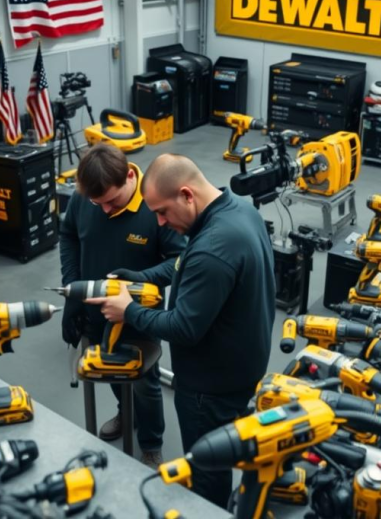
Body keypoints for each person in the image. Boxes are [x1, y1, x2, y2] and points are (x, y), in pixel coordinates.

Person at [86, 153, 275, 509]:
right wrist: (143, 278)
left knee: (207, 470)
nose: (159, 222)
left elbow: (183, 327)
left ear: (186, 195)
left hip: (209, 387)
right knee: (222, 452)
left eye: (161, 211)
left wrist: (129, 310)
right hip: (241, 366)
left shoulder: (211, 249)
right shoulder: (239, 212)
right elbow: (182, 265)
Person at [58, 144, 185, 468]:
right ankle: (125, 412)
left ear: (130, 176)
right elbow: (69, 235)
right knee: (109, 368)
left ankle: (151, 442)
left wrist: (143, 277)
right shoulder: (83, 198)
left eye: (111, 201)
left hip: (140, 314)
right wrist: (73, 288)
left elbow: (181, 261)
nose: (103, 210)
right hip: (94, 310)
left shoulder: (155, 206)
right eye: (96, 203)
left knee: (145, 382)